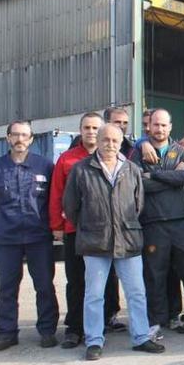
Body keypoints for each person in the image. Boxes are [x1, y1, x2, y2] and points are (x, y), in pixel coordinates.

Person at [63, 124, 165, 360]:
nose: (110, 144)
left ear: (121, 143)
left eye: (115, 141)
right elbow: (71, 207)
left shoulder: (131, 169)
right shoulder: (81, 170)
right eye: (105, 140)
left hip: (128, 239)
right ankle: (94, 341)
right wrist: (94, 225)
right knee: (94, 294)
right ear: (97, 141)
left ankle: (141, 337)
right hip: (94, 240)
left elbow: (138, 205)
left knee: (137, 293)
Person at [131, 109, 184, 341]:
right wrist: (168, 177)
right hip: (153, 224)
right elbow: (137, 183)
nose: (159, 129)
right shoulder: (138, 152)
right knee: (154, 276)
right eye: (155, 125)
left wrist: (154, 175)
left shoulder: (182, 151)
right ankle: (155, 322)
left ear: (170, 127)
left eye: (163, 125)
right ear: (149, 126)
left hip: (182, 223)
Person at [50, 112, 123, 349]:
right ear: (80, 131)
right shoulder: (67, 160)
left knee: (105, 281)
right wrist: (57, 227)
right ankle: (74, 328)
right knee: (76, 280)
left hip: (106, 233)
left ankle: (103, 323)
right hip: (75, 231)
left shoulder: (115, 158)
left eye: (95, 128)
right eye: (87, 128)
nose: (91, 132)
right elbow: (57, 195)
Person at [0, 121, 59, 351]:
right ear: (8, 138)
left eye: (24, 135)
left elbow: (51, 200)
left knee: (44, 286)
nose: (20, 139)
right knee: (6, 287)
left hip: (39, 237)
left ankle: (47, 331)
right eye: (15, 135)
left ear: (31, 139)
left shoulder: (45, 166)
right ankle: (7, 333)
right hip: (6, 238)